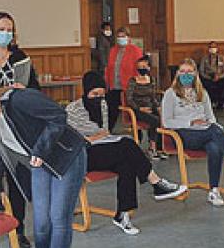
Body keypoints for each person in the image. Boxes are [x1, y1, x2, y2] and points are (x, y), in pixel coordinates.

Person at [0, 83, 87, 248]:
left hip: (65, 157)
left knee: (59, 218)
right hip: (40, 163)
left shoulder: (18, 99)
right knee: (41, 223)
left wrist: (41, 150)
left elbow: (58, 115)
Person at [66, 71, 187, 234]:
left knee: (127, 163)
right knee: (128, 144)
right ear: (86, 91)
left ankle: (122, 214)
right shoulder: (72, 110)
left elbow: (105, 132)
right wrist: (94, 137)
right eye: (94, 94)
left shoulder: (103, 105)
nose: (99, 98)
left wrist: (97, 136)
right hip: (82, 155)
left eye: (102, 94)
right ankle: (156, 182)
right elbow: (74, 139)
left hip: (101, 147)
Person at [0, 11, 39, 248]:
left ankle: (19, 228)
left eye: (9, 29)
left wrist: (22, 91)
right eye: (1, 28)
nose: (5, 33)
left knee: (16, 177)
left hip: (16, 124)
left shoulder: (21, 58)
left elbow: (35, 89)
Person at [161, 59, 224, 207]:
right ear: (177, 74)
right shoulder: (170, 94)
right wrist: (191, 122)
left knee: (215, 146)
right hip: (184, 135)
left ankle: (214, 190)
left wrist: (207, 123)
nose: (186, 75)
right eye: (182, 71)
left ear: (195, 74)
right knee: (215, 132)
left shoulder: (202, 93)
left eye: (189, 72)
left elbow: (211, 117)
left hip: (205, 132)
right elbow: (167, 121)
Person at [125, 55, 166, 160]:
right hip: (137, 109)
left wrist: (158, 107)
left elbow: (153, 97)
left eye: (144, 66)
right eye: (139, 67)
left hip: (150, 107)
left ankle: (160, 148)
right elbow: (129, 99)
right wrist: (140, 109)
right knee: (155, 120)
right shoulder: (133, 81)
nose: (141, 69)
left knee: (162, 118)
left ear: (148, 67)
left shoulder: (152, 80)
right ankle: (152, 148)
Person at [104, 27, 143, 127]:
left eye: (123, 36)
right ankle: (108, 130)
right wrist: (107, 84)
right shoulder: (113, 50)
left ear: (128, 37)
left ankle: (137, 133)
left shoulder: (135, 51)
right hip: (114, 86)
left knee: (132, 114)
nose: (120, 38)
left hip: (129, 87)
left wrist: (136, 85)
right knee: (111, 112)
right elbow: (108, 68)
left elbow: (138, 69)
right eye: (119, 36)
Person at [199, 41, 224, 108]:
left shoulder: (222, 58)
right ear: (209, 49)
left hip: (220, 76)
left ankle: (223, 102)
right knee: (207, 83)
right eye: (211, 47)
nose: (213, 49)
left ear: (217, 48)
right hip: (209, 77)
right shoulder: (204, 58)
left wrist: (219, 76)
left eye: (214, 47)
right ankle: (213, 101)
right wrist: (209, 77)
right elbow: (201, 71)